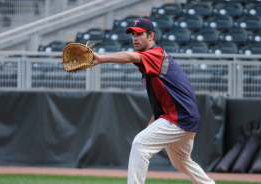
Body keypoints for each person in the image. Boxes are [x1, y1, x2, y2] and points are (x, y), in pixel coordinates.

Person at [92, 18, 215, 184]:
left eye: (140, 34)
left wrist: (100, 58)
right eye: (133, 34)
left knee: (140, 144)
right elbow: (162, 105)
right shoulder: (150, 64)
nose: (135, 38)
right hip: (183, 116)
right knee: (180, 160)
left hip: (180, 117)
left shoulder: (156, 54)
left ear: (151, 36)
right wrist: (151, 127)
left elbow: (130, 56)